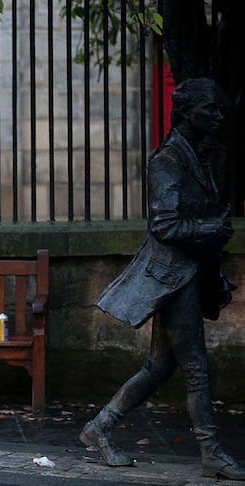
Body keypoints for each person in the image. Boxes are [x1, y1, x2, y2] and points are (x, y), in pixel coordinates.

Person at [82, 78, 244, 481]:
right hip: (173, 279)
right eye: (210, 109)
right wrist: (208, 228)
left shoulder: (201, 155)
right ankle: (211, 453)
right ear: (188, 112)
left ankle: (99, 427)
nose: (218, 116)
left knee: (159, 366)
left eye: (220, 109)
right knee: (196, 368)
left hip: (189, 273)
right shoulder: (168, 159)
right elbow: (165, 226)